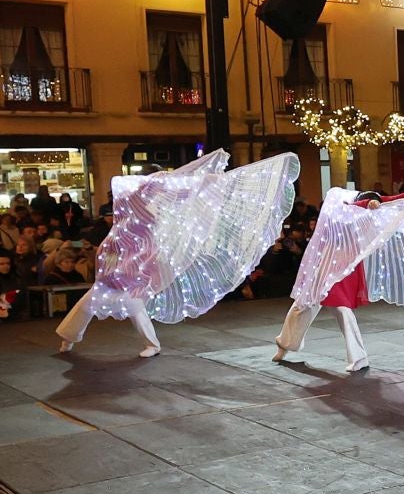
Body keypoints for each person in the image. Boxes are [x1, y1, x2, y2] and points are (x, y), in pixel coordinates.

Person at [57, 152, 299, 357]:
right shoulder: (133, 193)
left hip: (135, 255)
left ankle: (149, 344)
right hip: (119, 251)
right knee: (95, 300)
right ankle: (70, 337)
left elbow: (185, 190)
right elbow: (176, 188)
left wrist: (213, 182)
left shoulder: (153, 194)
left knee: (131, 302)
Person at [274, 188, 404, 371]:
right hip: (326, 261)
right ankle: (285, 343)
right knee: (303, 304)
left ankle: (359, 357)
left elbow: (395, 198)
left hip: (343, 266)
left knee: (342, 309)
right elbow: (352, 209)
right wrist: (368, 204)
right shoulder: (342, 203)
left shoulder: (369, 205)